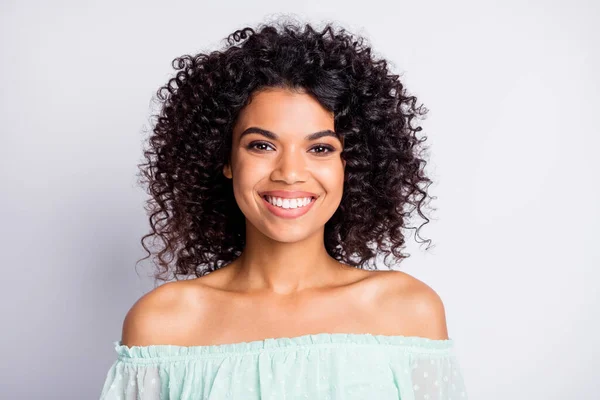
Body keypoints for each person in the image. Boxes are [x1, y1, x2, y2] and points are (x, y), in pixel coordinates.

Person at [99, 18, 468, 400]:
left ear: (351, 165)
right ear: (225, 159)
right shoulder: (163, 323)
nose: (290, 173)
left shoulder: (407, 311)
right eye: (262, 145)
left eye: (320, 148)